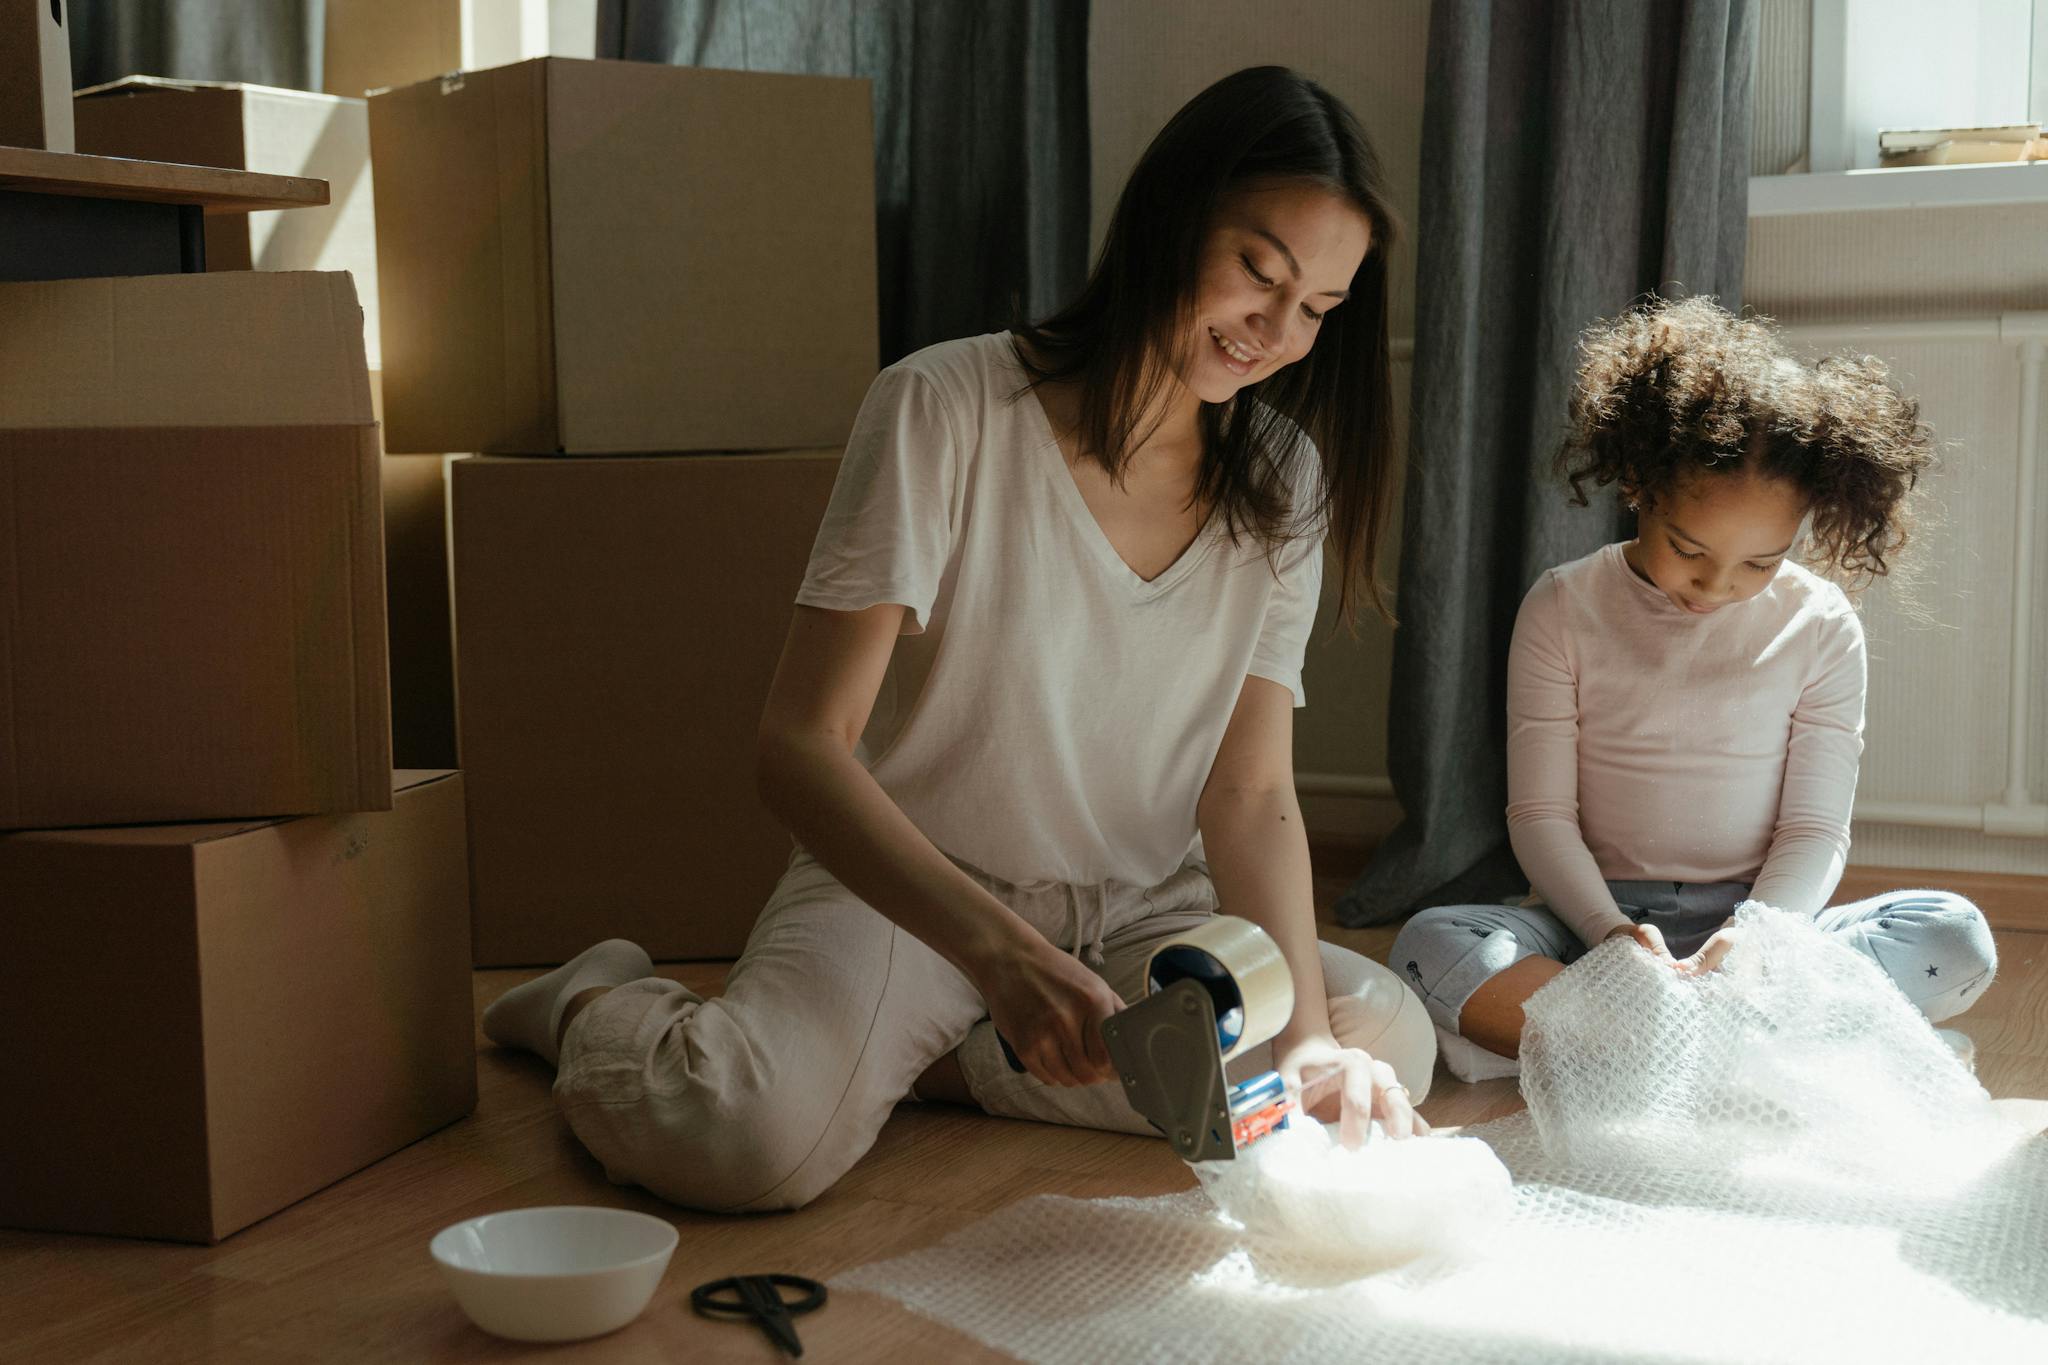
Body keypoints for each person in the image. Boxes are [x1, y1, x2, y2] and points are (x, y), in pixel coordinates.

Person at [482, 66, 1438, 1213]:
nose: (1276, 334)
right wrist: (1000, 955)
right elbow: (798, 745)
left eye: (1317, 311)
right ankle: (598, 1002)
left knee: (1375, 1037)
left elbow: (1249, 797)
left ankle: (947, 1062)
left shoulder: (1283, 477)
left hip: (1146, 914)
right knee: (739, 1139)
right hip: (916, 896)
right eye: (1257, 273)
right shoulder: (943, 406)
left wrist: (1308, 1047)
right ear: (1171, 216)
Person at [1393, 295, 1997, 1083]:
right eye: (1688, 548)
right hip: (1595, 929)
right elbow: (1539, 814)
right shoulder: (1562, 606)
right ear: (1641, 486)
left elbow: (1815, 828)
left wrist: (1753, 938)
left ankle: (1632, 1050)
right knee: (1431, 943)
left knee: (1954, 938)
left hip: (1762, 930)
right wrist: (1609, 933)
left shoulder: (1821, 624)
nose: (1715, 586)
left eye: (1760, 563)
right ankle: (1757, 1052)